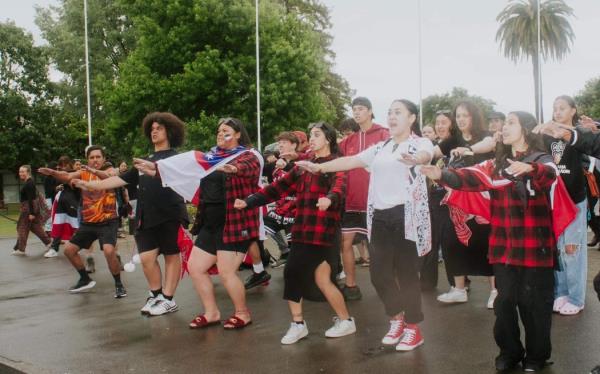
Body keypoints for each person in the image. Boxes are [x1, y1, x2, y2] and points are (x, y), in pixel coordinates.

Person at [420, 111, 572, 372]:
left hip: (535, 246)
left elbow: (550, 174)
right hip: (503, 247)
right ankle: (509, 353)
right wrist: (441, 174)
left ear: (525, 128)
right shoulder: (496, 164)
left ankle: (536, 358)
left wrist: (530, 168)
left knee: (534, 305)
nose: (504, 127)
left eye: (511, 122)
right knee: (503, 303)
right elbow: (469, 178)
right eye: (505, 123)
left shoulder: (541, 158)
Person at [297, 99, 433, 351]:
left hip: (406, 216)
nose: (392, 117)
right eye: (390, 112)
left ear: (412, 118)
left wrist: (417, 159)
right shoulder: (381, 147)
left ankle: (414, 328)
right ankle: (397, 319)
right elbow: (350, 161)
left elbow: (428, 153)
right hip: (380, 217)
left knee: (406, 275)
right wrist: (318, 167)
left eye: (398, 113)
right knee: (378, 274)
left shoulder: (419, 143)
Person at [235, 121, 356, 344]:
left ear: (328, 138)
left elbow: (339, 188)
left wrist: (329, 199)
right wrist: (250, 201)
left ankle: (320, 322)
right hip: (302, 228)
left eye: (317, 134)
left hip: (323, 231)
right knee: (308, 277)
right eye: (310, 134)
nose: (312, 138)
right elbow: (276, 189)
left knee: (306, 276)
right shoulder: (304, 165)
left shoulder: (336, 165)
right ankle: (325, 322)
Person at [137, 117, 262, 329]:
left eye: (226, 131)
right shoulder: (211, 157)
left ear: (238, 134)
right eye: (219, 131)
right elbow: (186, 175)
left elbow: (245, 168)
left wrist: (228, 168)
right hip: (210, 222)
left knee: (226, 272)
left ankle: (242, 313)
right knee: (195, 268)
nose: (221, 134)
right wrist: (156, 171)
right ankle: (211, 312)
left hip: (234, 222)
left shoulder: (247, 156)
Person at [74, 113, 189, 315]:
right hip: (146, 215)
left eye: (159, 128)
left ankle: (168, 299)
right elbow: (119, 180)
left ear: (170, 131)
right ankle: (156, 295)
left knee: (171, 254)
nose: (154, 131)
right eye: (151, 128)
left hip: (170, 212)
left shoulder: (177, 158)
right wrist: (90, 184)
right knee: (146, 258)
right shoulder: (144, 160)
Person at [38, 146, 126, 298]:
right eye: (91, 157)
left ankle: (119, 284)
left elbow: (108, 176)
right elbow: (66, 176)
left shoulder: (111, 171)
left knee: (109, 251)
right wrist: (52, 172)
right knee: (69, 250)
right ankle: (85, 279)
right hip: (88, 222)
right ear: (88, 160)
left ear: (103, 159)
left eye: (98, 157)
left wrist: (94, 172)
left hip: (108, 221)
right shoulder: (83, 173)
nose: (95, 160)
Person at [434, 101, 497, 308]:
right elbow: (434, 151)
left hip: (482, 202)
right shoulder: (452, 139)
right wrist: (419, 155)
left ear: (474, 117)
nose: (461, 119)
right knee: (452, 242)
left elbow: (489, 144)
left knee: (486, 243)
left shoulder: (485, 135)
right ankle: (459, 289)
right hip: (457, 202)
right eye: (458, 116)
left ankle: (495, 290)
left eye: (465, 115)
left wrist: (467, 149)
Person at [337, 96, 390, 301]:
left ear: (369, 111)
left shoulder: (384, 134)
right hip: (351, 201)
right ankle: (351, 286)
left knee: (379, 247)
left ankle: (387, 286)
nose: (357, 113)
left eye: (360, 109)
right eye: (354, 109)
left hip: (376, 201)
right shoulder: (348, 141)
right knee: (345, 243)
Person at [44, 156, 80, 258]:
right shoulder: (58, 174)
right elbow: (54, 187)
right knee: (58, 225)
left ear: (70, 164)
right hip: (61, 202)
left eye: (66, 164)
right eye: (61, 165)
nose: (64, 167)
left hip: (74, 203)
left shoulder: (76, 174)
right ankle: (54, 248)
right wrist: (58, 187)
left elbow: (79, 188)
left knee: (76, 226)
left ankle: (77, 247)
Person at [13, 165, 51, 256]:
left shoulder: (29, 183)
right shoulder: (29, 182)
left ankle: (20, 249)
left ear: (28, 172)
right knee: (36, 227)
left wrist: (31, 213)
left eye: (23, 171)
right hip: (29, 208)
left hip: (28, 209)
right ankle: (49, 243)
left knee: (22, 227)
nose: (20, 173)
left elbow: (31, 199)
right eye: (20, 171)